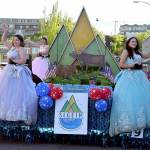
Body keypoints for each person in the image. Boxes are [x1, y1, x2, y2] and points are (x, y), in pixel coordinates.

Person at [109, 37, 150, 136]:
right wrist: (132, 65)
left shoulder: (138, 52)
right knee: (129, 99)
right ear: (128, 43)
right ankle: (128, 123)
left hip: (139, 77)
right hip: (129, 77)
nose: (134, 43)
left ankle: (139, 122)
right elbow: (121, 65)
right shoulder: (126, 51)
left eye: (135, 41)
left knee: (140, 99)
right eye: (132, 41)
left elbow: (147, 55)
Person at [0, 24, 38, 125]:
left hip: (18, 71)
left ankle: (20, 114)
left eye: (17, 40)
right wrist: (6, 31)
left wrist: (13, 60)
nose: (15, 41)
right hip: (9, 70)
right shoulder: (12, 47)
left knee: (19, 93)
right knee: (8, 92)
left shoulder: (21, 49)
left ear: (20, 41)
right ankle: (8, 113)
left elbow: (23, 60)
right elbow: (3, 40)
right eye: (14, 40)